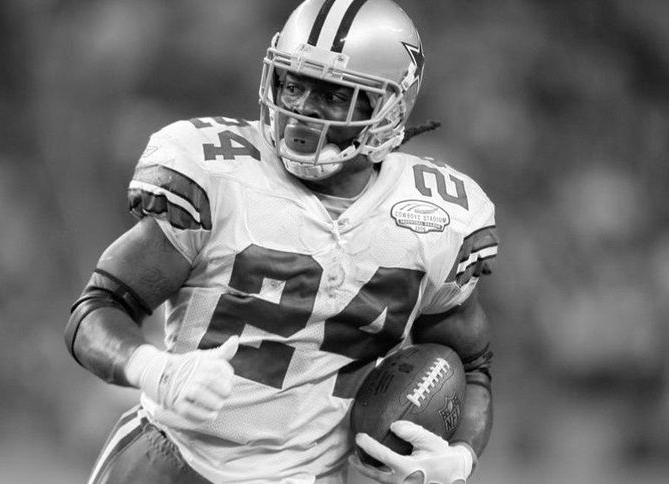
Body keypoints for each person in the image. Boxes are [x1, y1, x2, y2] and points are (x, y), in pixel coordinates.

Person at [64, 0, 498, 483]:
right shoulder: (218, 174)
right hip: (173, 461)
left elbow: (471, 364)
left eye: (335, 95)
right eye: (293, 85)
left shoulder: (436, 218)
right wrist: (157, 371)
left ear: (390, 109)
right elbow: (97, 309)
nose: (303, 109)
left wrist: (459, 457)